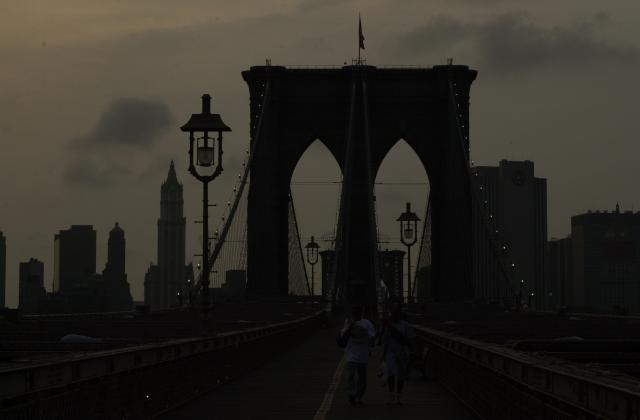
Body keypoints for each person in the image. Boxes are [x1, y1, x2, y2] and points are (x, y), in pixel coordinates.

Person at [341, 305, 376, 405]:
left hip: (362, 354)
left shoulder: (367, 323)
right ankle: (352, 395)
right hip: (351, 354)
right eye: (354, 312)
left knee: (362, 378)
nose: (355, 314)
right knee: (350, 376)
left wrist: (370, 346)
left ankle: (358, 396)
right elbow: (343, 335)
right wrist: (350, 326)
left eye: (357, 312)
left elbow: (372, 337)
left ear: (361, 313)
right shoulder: (349, 322)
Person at [382, 304, 412, 405]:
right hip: (391, 352)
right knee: (391, 373)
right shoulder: (389, 326)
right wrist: (384, 354)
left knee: (401, 375)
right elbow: (385, 340)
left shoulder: (405, 325)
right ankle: (392, 396)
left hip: (402, 352)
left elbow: (409, 339)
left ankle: (398, 397)